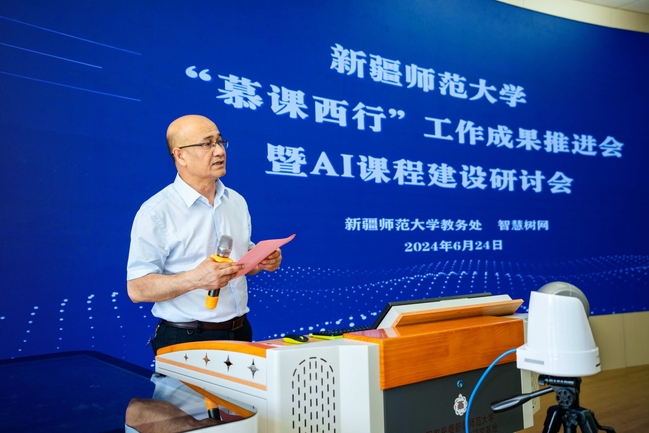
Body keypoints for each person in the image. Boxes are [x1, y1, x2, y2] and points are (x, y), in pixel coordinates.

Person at [126, 114, 282, 354]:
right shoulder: (156, 212)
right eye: (207, 144)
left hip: (241, 331)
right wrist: (196, 279)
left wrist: (260, 260)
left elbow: (240, 261)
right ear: (180, 155)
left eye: (220, 142)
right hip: (187, 338)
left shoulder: (236, 201)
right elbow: (137, 289)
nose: (219, 151)